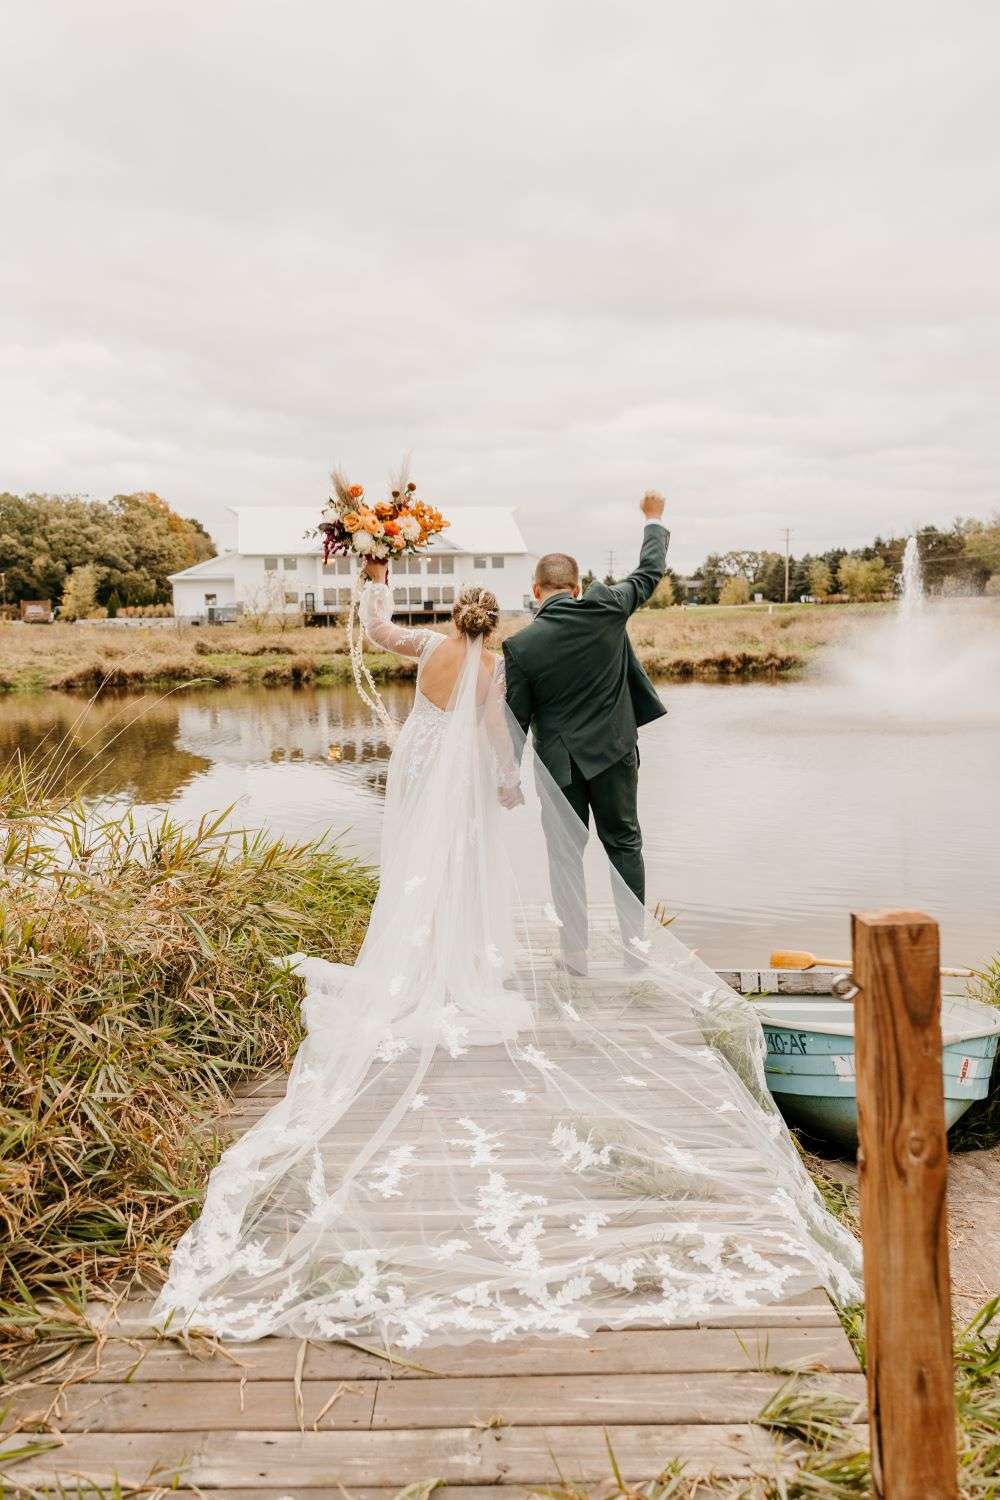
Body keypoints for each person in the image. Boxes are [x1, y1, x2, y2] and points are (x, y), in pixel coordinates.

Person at [152, 520, 860, 1349]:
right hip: (562, 757)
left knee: (422, 859)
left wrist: (373, 575)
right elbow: (497, 729)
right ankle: (597, 946)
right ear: (500, 618)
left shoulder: (433, 651)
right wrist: (503, 784)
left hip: (418, 764)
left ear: (459, 615)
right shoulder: (506, 660)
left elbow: (384, 635)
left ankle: (481, 946)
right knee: (537, 851)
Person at [502, 492, 668, 971]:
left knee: (565, 857)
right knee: (624, 846)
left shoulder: (522, 646)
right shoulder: (608, 607)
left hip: (560, 768)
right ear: (576, 587)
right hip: (615, 753)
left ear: (537, 592)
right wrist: (653, 519)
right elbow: (650, 571)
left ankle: (575, 955)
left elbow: (517, 721)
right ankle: (636, 953)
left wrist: (507, 778)